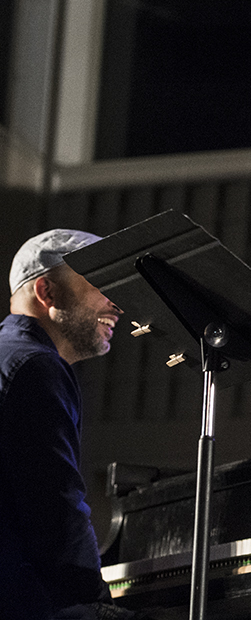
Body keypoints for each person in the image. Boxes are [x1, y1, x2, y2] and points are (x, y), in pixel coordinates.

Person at [0, 229, 121, 619]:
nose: (117, 305)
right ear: (47, 293)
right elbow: (56, 511)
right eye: (101, 285)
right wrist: (94, 601)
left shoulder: (11, 354)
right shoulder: (35, 366)